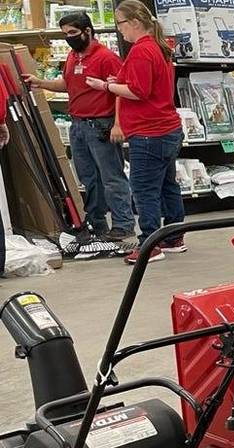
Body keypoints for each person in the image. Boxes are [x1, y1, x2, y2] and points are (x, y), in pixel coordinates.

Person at [85, 0, 185, 263]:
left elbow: (138, 92)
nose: (119, 30)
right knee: (167, 185)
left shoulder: (141, 51)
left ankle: (150, 245)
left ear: (135, 23)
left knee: (144, 191)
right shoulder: (160, 48)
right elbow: (147, 85)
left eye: (120, 24)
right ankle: (175, 237)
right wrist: (119, 82)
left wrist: (105, 87)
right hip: (167, 128)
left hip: (150, 133)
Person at [24, 12, 134, 243]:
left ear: (88, 31)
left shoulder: (107, 57)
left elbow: (121, 90)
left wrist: (118, 123)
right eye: (65, 34)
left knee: (111, 176)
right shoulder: (73, 57)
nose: (69, 38)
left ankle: (123, 224)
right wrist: (40, 82)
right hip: (78, 125)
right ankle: (97, 223)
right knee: (88, 177)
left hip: (101, 124)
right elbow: (67, 84)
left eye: (72, 33)